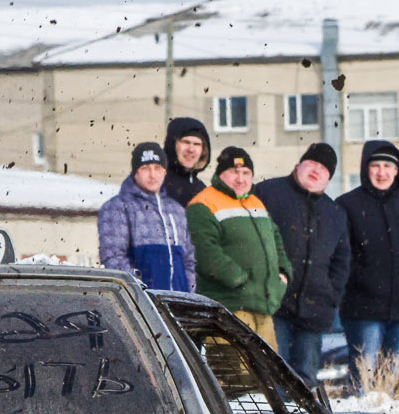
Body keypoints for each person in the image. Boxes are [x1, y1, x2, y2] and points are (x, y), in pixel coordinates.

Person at [333, 139, 399, 382]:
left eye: (388, 166)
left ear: (397, 171)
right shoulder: (348, 204)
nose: (382, 172)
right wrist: (365, 280)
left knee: (389, 379)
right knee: (363, 380)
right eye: (376, 166)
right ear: (366, 169)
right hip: (362, 309)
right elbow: (340, 254)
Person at [256, 142, 350, 385]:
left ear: (329, 179)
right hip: (274, 305)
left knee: (305, 380)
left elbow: (342, 262)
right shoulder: (269, 193)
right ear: (299, 165)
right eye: (312, 163)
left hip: (314, 310)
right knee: (272, 374)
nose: (316, 170)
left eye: (324, 169)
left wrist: (331, 296)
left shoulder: (334, 212)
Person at [187, 146, 291, 347]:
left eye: (246, 173)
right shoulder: (203, 204)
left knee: (266, 375)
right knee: (232, 373)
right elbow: (206, 252)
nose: (241, 179)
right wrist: (240, 280)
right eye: (234, 172)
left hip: (263, 307)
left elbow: (277, 241)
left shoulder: (255, 203)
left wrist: (283, 276)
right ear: (220, 174)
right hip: (230, 308)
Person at [98, 142, 194, 292]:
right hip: (143, 306)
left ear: (165, 172)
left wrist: (189, 294)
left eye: (157, 168)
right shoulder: (118, 207)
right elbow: (113, 258)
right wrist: (141, 293)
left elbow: (189, 261)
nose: (152, 175)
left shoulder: (177, 210)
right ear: (135, 172)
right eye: (145, 168)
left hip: (178, 305)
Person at [163, 116, 213, 206]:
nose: (191, 149)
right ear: (172, 144)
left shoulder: (200, 188)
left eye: (197, 144)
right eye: (185, 142)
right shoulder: (158, 184)